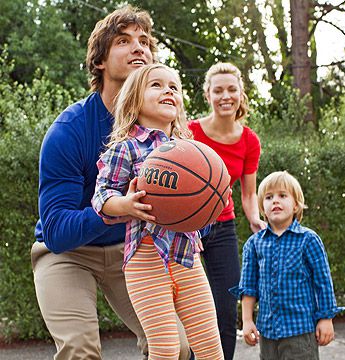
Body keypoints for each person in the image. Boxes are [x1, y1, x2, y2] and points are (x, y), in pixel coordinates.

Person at [31, 6, 190, 360]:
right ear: (99, 61)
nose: (139, 48)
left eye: (144, 41)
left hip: (131, 250)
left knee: (175, 347)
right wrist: (115, 210)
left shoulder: (168, 130)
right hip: (68, 255)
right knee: (80, 350)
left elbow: (188, 201)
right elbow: (56, 229)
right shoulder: (69, 130)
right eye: (123, 41)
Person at [92, 63, 224, 360]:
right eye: (157, 85)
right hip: (144, 259)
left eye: (174, 87)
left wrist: (214, 202)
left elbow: (201, 208)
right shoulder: (124, 149)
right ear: (134, 100)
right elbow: (101, 197)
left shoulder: (191, 151)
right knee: (165, 348)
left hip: (187, 258)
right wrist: (125, 206)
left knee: (210, 349)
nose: (168, 90)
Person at [188, 62, 266, 359]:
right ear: (207, 95)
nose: (225, 96)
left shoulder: (249, 141)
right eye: (218, 90)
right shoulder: (190, 131)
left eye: (231, 89)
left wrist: (255, 218)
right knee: (194, 306)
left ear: (241, 93)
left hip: (222, 227)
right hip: (186, 229)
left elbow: (248, 193)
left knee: (225, 305)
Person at [230, 171, 345, 359]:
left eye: (282, 196)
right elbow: (248, 287)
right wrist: (247, 320)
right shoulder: (254, 243)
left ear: (295, 205)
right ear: (262, 207)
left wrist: (326, 318)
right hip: (267, 332)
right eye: (269, 197)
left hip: (300, 332)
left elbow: (323, 282)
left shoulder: (308, 240)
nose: (275, 201)